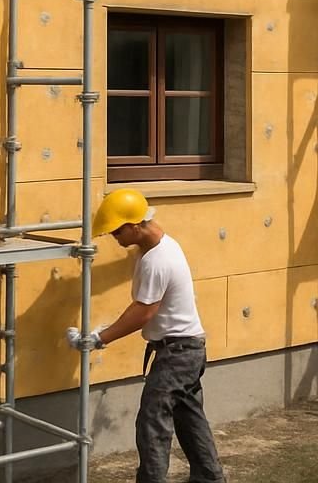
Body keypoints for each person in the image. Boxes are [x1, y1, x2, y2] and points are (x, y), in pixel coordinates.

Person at [67, 188, 226, 483]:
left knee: (152, 421)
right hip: (185, 349)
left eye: (117, 232)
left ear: (135, 225)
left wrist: (100, 338)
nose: (115, 238)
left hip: (178, 353)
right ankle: (209, 478)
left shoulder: (157, 260)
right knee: (188, 418)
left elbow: (143, 312)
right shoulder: (157, 247)